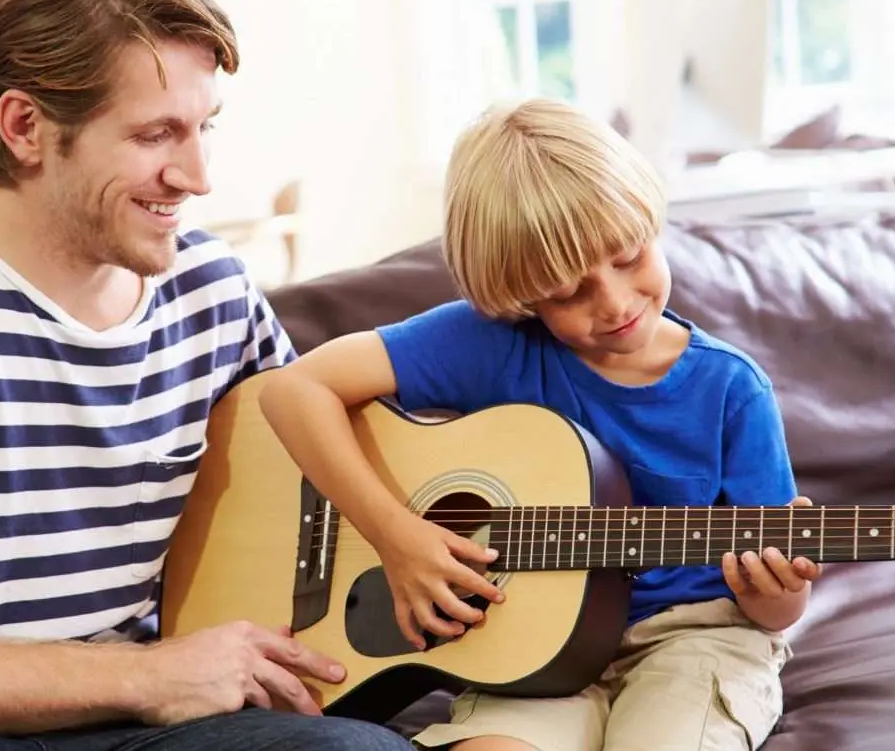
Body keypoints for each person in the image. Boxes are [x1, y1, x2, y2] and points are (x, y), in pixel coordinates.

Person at [0, 0, 414, 750]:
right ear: (25, 127)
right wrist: (150, 678)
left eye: (204, 126)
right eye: (157, 134)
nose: (199, 175)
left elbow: (318, 485)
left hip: (146, 726)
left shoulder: (211, 288)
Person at [257, 97, 822, 751]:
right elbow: (294, 391)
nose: (614, 302)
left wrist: (777, 593)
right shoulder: (487, 342)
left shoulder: (731, 389)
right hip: (527, 652)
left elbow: (778, 611)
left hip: (693, 641)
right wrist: (395, 534)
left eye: (629, 255)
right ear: (519, 293)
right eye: (566, 291)